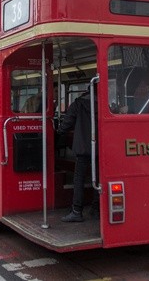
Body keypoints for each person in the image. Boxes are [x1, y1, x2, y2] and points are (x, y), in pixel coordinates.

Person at [57, 88, 99, 222]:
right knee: (98, 178)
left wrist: (59, 131)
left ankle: (77, 211)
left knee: (79, 179)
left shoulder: (78, 103)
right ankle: (97, 209)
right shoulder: (104, 103)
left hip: (82, 147)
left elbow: (67, 124)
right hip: (99, 147)